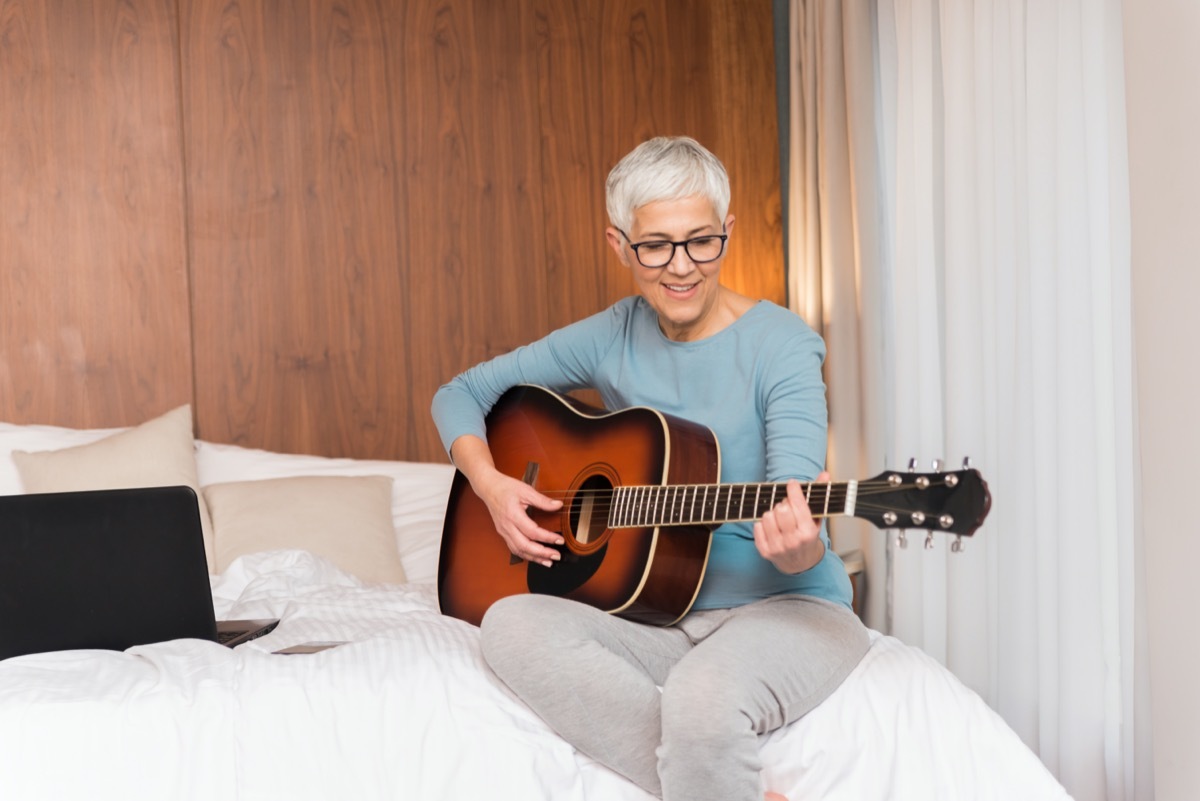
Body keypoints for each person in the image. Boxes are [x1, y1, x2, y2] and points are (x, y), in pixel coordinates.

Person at [430, 136, 870, 801]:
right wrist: (491, 487)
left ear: (727, 232)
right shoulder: (612, 334)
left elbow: (795, 498)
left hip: (788, 608)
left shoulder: (782, 344)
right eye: (656, 246)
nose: (681, 267)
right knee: (511, 625)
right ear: (619, 245)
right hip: (657, 615)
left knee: (702, 697)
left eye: (701, 241)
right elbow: (459, 393)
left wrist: (798, 544)